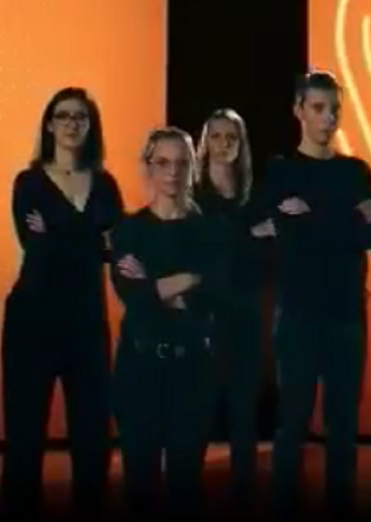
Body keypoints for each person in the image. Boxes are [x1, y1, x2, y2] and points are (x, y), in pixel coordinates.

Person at [262, 70, 371, 517]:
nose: (328, 117)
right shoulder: (280, 171)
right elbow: (279, 233)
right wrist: (343, 220)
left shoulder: (355, 171)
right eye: (318, 108)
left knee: (343, 426)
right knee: (292, 421)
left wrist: (311, 215)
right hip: (297, 312)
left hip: (346, 313)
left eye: (334, 109)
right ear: (299, 110)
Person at [1, 87, 124, 517]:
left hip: (86, 321)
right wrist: (91, 238)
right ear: (49, 125)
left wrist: (58, 231)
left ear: (91, 126)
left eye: (80, 117)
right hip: (31, 320)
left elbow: (116, 247)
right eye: (63, 115)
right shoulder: (29, 183)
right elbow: (36, 246)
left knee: (92, 434)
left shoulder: (105, 184)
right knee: (25, 434)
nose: (72, 123)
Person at [110, 127, 229, 517]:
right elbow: (134, 296)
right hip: (139, 369)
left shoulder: (211, 231)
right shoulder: (129, 230)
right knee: (139, 487)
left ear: (193, 167)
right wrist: (191, 278)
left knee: (185, 487)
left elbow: (216, 294)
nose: (172, 171)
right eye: (163, 162)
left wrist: (159, 283)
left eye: (181, 163)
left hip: (192, 369)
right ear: (148, 167)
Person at [193, 108, 268, 508]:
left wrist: (239, 240)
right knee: (197, 407)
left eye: (231, 137)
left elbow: (264, 255)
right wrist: (247, 236)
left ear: (241, 145)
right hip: (202, 316)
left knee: (243, 408)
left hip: (245, 314)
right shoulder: (193, 198)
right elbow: (202, 252)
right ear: (205, 144)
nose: (224, 144)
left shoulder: (253, 198)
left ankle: (244, 491)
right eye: (217, 136)